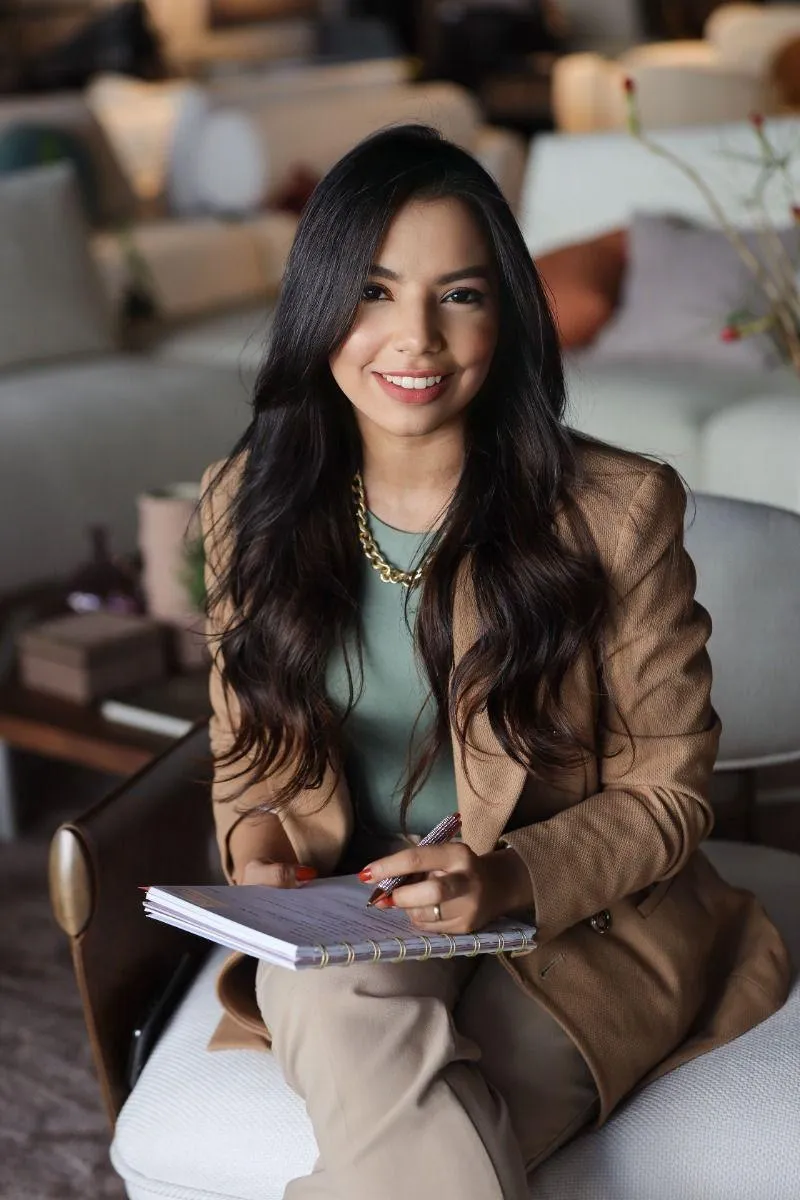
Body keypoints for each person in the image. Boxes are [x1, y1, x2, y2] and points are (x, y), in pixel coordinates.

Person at [200, 125, 790, 1200]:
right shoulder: (246, 506)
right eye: (373, 292)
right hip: (352, 922)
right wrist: (259, 852)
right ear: (319, 303)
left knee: (425, 1159)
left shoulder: (612, 512)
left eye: (458, 295)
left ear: (507, 311)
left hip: (570, 927)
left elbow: (667, 790)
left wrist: (509, 876)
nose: (414, 338)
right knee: (340, 1012)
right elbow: (247, 762)